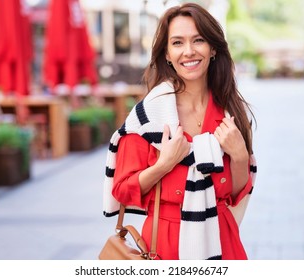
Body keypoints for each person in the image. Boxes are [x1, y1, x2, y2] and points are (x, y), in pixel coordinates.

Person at [103, 2, 257, 260]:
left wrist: (240, 156)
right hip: (165, 243)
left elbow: (234, 194)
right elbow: (121, 189)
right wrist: (164, 164)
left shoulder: (230, 111)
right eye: (177, 43)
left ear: (213, 49)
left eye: (198, 40)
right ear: (166, 54)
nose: (188, 51)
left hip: (221, 239)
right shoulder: (149, 115)